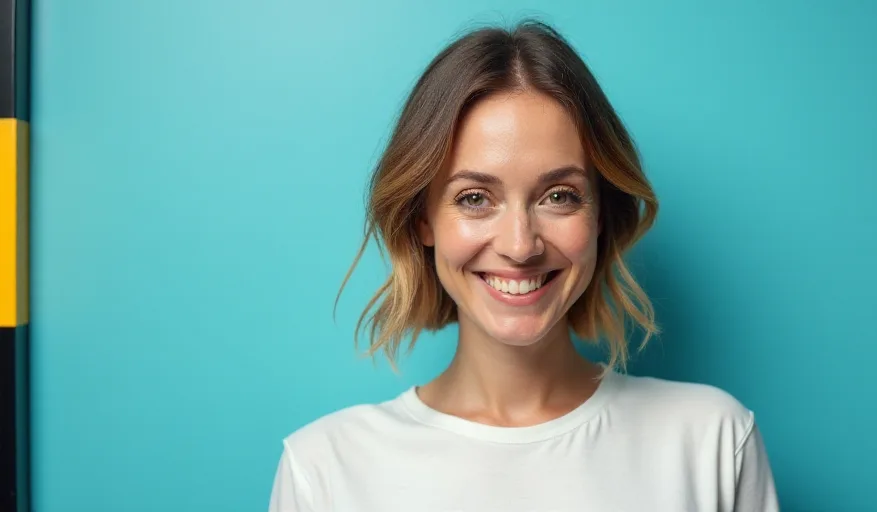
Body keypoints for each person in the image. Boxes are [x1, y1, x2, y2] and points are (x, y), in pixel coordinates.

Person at [268, 19, 779, 512]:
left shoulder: (713, 441)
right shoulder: (324, 470)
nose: (520, 245)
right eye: (474, 198)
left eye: (559, 196)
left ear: (602, 214)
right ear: (422, 220)